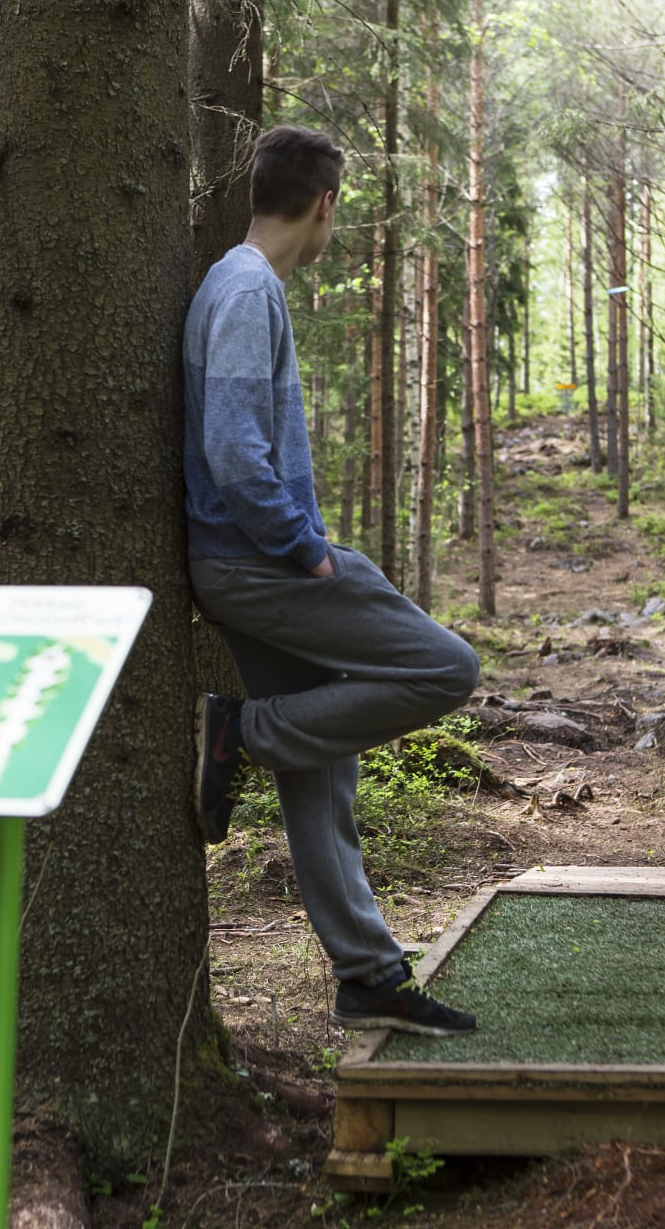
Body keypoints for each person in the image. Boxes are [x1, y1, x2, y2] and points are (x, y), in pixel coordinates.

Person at [184, 125, 481, 1035]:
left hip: (244, 563)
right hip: (258, 563)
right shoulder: (245, 289)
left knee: (324, 766)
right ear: (324, 204)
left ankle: (368, 976)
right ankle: (243, 731)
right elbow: (234, 449)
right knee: (447, 669)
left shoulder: (238, 283)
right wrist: (304, 549)